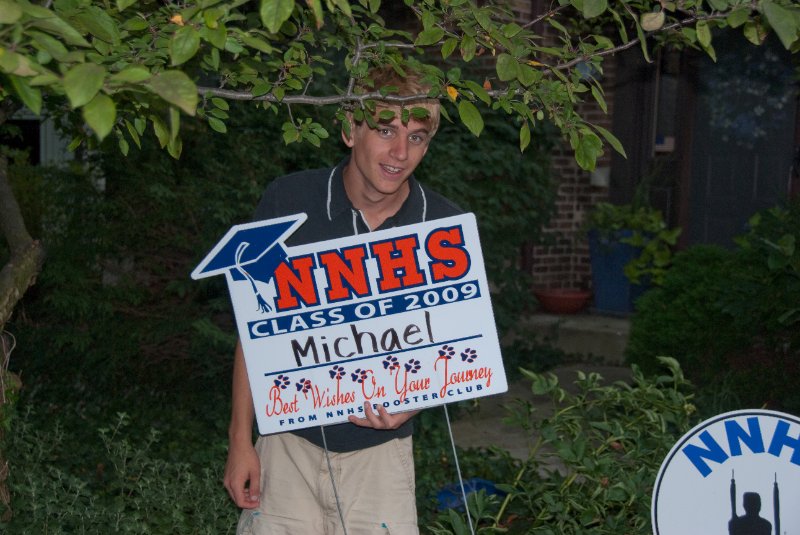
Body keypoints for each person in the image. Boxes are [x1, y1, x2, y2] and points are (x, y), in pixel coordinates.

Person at [223, 66, 462, 535]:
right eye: (386, 130)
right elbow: (254, 333)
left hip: (382, 457)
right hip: (287, 443)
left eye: (416, 137)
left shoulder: (442, 227)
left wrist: (417, 400)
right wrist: (240, 441)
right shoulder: (288, 201)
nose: (400, 152)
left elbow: (459, 345)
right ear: (350, 129)